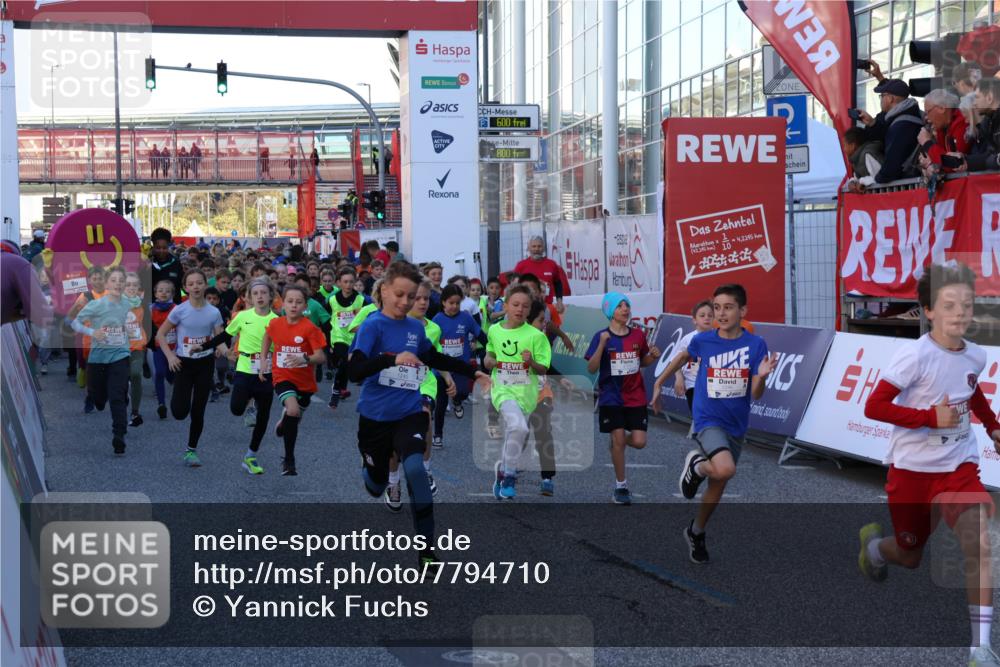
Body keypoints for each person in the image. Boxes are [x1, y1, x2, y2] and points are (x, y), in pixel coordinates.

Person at [859, 263, 1000, 667]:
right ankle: (875, 549)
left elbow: (972, 394)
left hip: (959, 465)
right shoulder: (914, 356)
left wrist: (992, 428)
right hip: (911, 472)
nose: (960, 312)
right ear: (929, 311)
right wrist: (926, 419)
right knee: (910, 555)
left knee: (980, 541)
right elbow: (874, 406)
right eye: (949, 304)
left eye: (967, 305)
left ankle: (980, 648)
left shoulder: (976, 354)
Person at [348, 261, 486, 564]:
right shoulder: (372, 326)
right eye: (399, 295)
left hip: (409, 411)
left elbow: (434, 357)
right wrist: (391, 359)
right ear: (384, 291)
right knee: (375, 486)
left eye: (411, 297)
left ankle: (427, 550)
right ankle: (371, 468)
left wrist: (474, 373)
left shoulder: (414, 328)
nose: (405, 302)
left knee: (415, 469)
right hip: (374, 417)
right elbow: (354, 371)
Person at [650, 284, 778, 564]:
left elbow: (756, 394)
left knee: (719, 482)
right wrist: (660, 383)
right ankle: (696, 465)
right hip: (708, 418)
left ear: (742, 311)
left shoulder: (755, 345)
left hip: (736, 423)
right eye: (717, 308)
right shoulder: (704, 340)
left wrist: (763, 375)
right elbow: (682, 357)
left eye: (728, 307)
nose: (721, 313)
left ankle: (696, 531)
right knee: (725, 468)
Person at [585, 292, 661, 504]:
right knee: (618, 438)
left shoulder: (637, 335)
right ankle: (621, 486)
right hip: (611, 396)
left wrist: (652, 357)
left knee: (639, 441)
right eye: (620, 306)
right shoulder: (601, 335)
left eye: (627, 305)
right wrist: (601, 345)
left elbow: (642, 362)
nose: (625, 309)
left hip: (635, 394)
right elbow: (591, 368)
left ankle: (618, 444)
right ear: (610, 312)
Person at [485, 285, 552, 500]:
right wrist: (492, 362)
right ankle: (509, 477)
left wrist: (530, 361)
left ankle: (503, 469)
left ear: (529, 309)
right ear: (505, 306)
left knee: (518, 433)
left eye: (525, 306)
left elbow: (544, 368)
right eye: (515, 305)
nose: (519, 309)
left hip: (527, 394)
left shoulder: (536, 336)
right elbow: (488, 357)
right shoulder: (495, 330)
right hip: (502, 389)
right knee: (518, 427)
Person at [155, 269, 226, 467]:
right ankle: (178, 407)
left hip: (205, 364)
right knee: (179, 412)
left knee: (198, 410)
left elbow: (219, 338)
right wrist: (170, 357)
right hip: (183, 364)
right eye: (191, 283)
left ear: (205, 285)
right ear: (185, 288)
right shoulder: (180, 310)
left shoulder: (214, 312)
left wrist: (227, 352)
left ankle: (191, 450)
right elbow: (160, 335)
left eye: (199, 283)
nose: (195, 286)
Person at [69, 267, 142, 455]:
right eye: (114, 280)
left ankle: (119, 436)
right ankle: (98, 398)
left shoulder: (128, 302)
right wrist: (93, 332)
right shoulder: (96, 305)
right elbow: (74, 323)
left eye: (121, 281)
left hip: (120, 355)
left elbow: (138, 299)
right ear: (107, 284)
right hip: (97, 358)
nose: (118, 283)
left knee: (117, 397)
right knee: (99, 399)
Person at [259, 285, 327, 476]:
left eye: (298, 302)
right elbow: (267, 337)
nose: (294, 305)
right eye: (290, 301)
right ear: (283, 304)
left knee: (294, 417)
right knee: (294, 410)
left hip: (305, 382)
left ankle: (284, 421)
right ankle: (289, 460)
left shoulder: (310, 328)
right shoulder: (276, 324)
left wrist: (304, 358)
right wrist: (264, 360)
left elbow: (320, 357)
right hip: (282, 376)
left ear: (305, 306)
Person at [432, 284, 486, 446]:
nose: (454, 306)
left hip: (461, 365)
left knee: (462, 392)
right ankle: (438, 435)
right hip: (441, 368)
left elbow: (480, 334)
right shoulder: (437, 320)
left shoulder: (466, 317)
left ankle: (456, 401)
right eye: (451, 303)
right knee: (441, 402)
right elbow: (431, 345)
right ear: (443, 302)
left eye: (457, 303)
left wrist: (491, 347)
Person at [854, 78, 924, 186]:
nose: (881, 100)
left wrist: (875, 181)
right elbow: (887, 135)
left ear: (890, 98)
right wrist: (873, 124)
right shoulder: (908, 116)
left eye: (882, 96)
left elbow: (892, 165)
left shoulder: (902, 125)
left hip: (907, 187)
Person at [667, 300, 715, 413]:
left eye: (710, 315)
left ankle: (697, 431)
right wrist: (678, 378)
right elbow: (675, 360)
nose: (707, 318)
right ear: (694, 320)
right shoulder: (688, 339)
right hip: (693, 384)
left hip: (714, 386)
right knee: (699, 415)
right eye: (702, 315)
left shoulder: (720, 338)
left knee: (709, 419)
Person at [327, 267, 365, 409]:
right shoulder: (331, 300)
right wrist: (327, 343)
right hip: (338, 337)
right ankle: (336, 392)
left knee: (347, 364)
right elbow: (326, 320)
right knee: (344, 360)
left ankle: (340, 388)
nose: (348, 285)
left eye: (351, 282)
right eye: (345, 282)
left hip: (355, 338)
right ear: (339, 283)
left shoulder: (361, 300)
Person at [917, 89, 970, 174]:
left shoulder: (962, 122)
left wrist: (927, 143)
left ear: (941, 108)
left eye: (928, 112)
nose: (926, 117)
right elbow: (940, 161)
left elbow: (954, 164)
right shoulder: (943, 128)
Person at [513, 236, 571, 312]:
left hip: (547, 307)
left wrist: (559, 301)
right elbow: (514, 287)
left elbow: (558, 284)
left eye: (539, 246)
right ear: (529, 248)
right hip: (527, 308)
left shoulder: (552, 264)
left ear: (543, 248)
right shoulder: (521, 266)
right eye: (534, 246)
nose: (536, 249)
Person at [148, 280, 176, 420]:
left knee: (171, 375)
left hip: (174, 348)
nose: (163, 293)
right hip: (158, 347)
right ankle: (161, 404)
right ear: (155, 293)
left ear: (172, 293)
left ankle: (176, 388)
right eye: (160, 290)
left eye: (167, 291)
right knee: (159, 372)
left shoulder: (177, 308)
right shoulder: (150, 309)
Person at [960, 78, 1000, 172]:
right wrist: (966, 160)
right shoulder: (987, 122)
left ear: (989, 97)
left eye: (977, 97)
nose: (974, 103)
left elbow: (993, 159)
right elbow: (989, 155)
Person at [124, 273, 147, 427]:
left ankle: (135, 411)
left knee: (136, 374)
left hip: (137, 347)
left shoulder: (143, 305)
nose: (132, 288)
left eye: (134, 285)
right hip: (118, 348)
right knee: (121, 380)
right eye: (128, 285)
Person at [150, 228, 183, 302]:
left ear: (168, 246)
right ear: (153, 247)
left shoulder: (176, 263)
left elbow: (182, 285)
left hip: (174, 308)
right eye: (158, 248)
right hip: (153, 309)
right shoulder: (147, 263)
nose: (161, 250)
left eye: (164, 248)